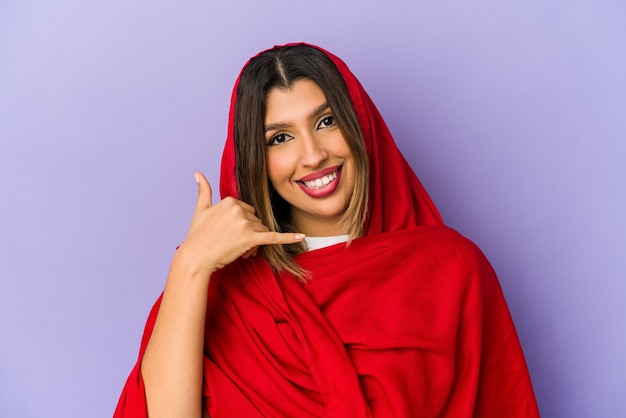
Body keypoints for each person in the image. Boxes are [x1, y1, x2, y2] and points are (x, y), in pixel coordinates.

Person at [114, 43, 539, 417]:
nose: (313, 155)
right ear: (254, 161)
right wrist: (190, 264)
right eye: (280, 138)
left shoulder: (451, 269)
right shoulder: (219, 292)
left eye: (326, 122)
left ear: (360, 126)